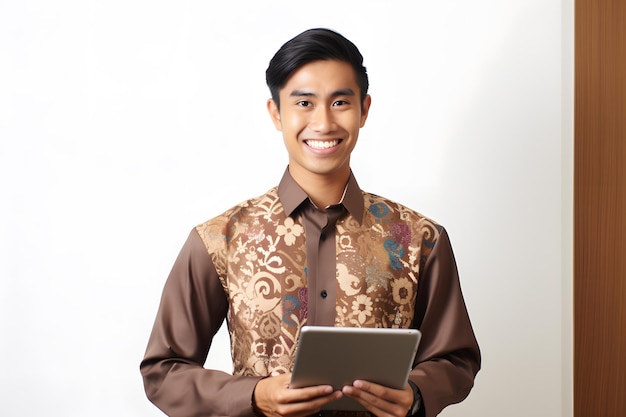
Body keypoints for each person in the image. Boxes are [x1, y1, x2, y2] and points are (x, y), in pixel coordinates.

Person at [140, 28, 481, 417]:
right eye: (304, 102)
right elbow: (163, 370)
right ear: (276, 113)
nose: (323, 123)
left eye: (340, 102)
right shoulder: (220, 239)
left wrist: (417, 394)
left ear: (364, 110)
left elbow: (456, 358)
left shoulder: (418, 238)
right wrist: (254, 396)